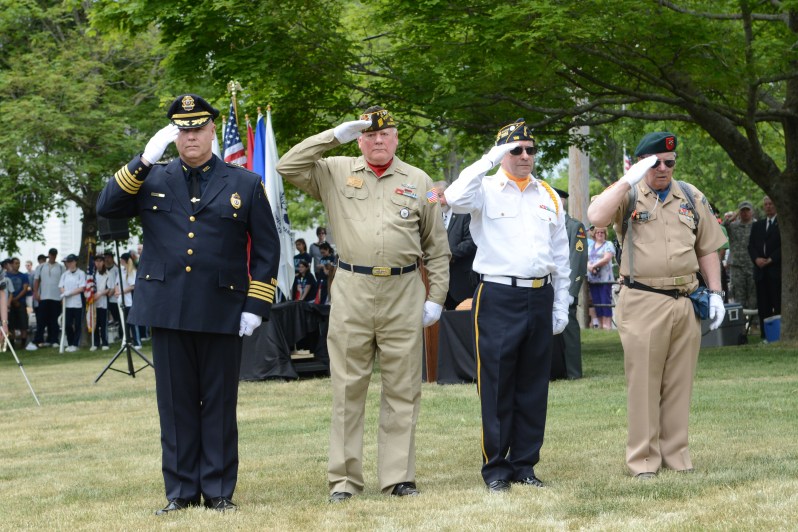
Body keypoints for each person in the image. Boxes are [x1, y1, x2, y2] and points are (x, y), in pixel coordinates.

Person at [97, 93, 280, 515]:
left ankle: (218, 490)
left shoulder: (244, 183)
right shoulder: (152, 178)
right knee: (176, 405)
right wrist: (144, 159)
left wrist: (256, 305)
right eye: (183, 130)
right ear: (174, 136)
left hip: (223, 307)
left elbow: (267, 251)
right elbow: (108, 206)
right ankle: (179, 492)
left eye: (198, 128)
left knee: (218, 403)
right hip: (168, 308)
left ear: (212, 130)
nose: (190, 137)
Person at [277, 105, 450, 502]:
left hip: (404, 290)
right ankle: (344, 480)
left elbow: (437, 249)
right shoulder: (336, 170)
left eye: (384, 134)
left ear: (395, 138)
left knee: (403, 388)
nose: (377, 140)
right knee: (347, 388)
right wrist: (332, 135)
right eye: (368, 134)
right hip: (353, 287)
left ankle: (398, 477)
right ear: (359, 139)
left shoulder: (419, 180)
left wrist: (436, 298)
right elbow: (288, 165)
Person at [587, 131, 727, 479]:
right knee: (644, 384)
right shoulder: (630, 192)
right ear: (642, 163)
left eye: (669, 162)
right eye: (656, 162)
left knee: (680, 383)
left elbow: (708, 247)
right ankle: (643, 461)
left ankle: (677, 456)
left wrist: (716, 293)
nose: (663, 168)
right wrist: (627, 179)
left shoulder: (690, 195)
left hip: (685, 300)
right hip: (643, 299)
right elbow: (597, 216)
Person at [444, 118, 571, 492]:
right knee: (497, 383)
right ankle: (496, 469)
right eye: (516, 150)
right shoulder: (483, 188)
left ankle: (525, 465)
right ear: (502, 154)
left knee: (534, 385)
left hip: (539, 294)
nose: (525, 156)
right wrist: (488, 158)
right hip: (498, 294)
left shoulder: (547, 194)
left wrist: (561, 303)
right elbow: (451, 197)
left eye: (530, 150)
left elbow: (560, 256)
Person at [550, 187, 588, 380]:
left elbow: (578, 259)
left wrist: (572, 291)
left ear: (563, 201)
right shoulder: (546, 222)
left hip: (565, 285)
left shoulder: (574, 226)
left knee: (569, 330)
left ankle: (573, 371)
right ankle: (554, 370)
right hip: (546, 284)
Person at [432, 180, 478, 310]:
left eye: (440, 196)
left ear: (450, 194)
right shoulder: (435, 217)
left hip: (462, 282)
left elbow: (472, 242)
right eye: (434, 198)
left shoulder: (465, 213)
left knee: (465, 323)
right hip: (441, 284)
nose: (437, 201)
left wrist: (448, 254)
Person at [747, 196, 781, 340]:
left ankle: (779, 333)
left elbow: (784, 246)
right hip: (761, 272)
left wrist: (771, 259)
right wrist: (757, 259)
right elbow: (751, 246)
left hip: (776, 270)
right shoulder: (758, 225)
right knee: (763, 305)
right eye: (766, 204)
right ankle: (764, 335)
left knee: (778, 303)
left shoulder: (782, 223)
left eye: (771, 204)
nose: (768, 206)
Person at [723, 201, 756, 310]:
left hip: (752, 265)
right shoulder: (733, 226)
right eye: (742, 211)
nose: (745, 213)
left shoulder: (756, 225)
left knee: (753, 295)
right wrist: (733, 216)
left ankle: (754, 323)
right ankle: (740, 323)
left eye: (747, 210)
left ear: (752, 212)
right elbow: (722, 226)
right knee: (738, 295)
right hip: (737, 267)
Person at [33, 248, 65, 347]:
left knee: (54, 320)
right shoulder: (41, 267)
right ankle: (38, 340)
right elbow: (36, 280)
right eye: (51, 254)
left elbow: (63, 282)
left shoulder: (61, 267)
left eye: (54, 254)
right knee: (41, 320)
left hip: (56, 297)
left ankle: (54, 340)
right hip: (44, 297)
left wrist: (62, 297)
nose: (52, 256)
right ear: (48, 255)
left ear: (56, 255)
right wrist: (36, 293)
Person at [586, 227, 616, 330]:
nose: (600, 234)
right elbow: (586, 259)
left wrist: (593, 266)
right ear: (594, 234)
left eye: (602, 232)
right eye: (598, 232)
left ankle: (607, 324)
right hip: (592, 279)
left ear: (605, 234)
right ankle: (599, 323)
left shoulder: (608, 244)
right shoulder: (590, 246)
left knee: (605, 301)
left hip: (605, 279)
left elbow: (607, 258)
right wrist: (589, 266)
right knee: (596, 301)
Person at [58, 254, 86, 352]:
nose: (69, 264)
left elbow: (81, 288)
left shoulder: (81, 273)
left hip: (77, 303)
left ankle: (75, 344)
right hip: (67, 303)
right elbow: (61, 286)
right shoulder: (65, 274)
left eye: (70, 262)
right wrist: (64, 292)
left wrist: (69, 292)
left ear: (75, 262)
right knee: (67, 324)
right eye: (67, 262)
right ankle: (70, 343)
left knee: (77, 324)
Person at [115, 252, 140, 348]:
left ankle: (137, 342)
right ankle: (128, 341)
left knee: (132, 322)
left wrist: (121, 292)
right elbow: (117, 283)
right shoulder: (121, 271)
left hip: (130, 300)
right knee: (125, 323)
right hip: (122, 300)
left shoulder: (132, 271)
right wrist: (117, 292)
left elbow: (133, 286)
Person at [6, 258, 30, 349]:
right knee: (11, 325)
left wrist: (16, 299)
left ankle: (23, 345)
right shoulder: (6, 276)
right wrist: (11, 300)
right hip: (9, 303)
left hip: (21, 303)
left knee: (23, 324)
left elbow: (25, 289)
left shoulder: (23, 276)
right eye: (16, 263)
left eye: (19, 263)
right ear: (11, 264)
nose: (18, 265)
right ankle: (12, 344)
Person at [91, 255, 111, 351]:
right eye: (96, 261)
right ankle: (96, 343)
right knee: (94, 324)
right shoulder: (92, 274)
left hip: (102, 302)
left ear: (103, 262)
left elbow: (109, 289)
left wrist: (100, 294)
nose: (98, 263)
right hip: (93, 302)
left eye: (100, 261)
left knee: (103, 324)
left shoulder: (107, 274)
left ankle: (105, 343)